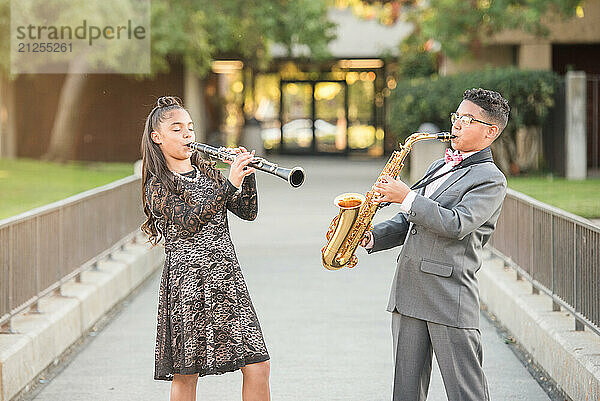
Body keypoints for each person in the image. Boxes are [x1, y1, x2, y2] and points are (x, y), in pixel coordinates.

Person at [360, 88, 510, 401]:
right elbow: (412, 220)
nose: (457, 124)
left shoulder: (490, 178)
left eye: (468, 120)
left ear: (490, 132)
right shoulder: (437, 167)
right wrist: (373, 236)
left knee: (466, 393)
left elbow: (456, 224)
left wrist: (406, 196)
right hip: (409, 291)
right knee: (406, 393)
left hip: (448, 296)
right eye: (458, 116)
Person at [140, 96, 270, 401]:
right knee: (187, 376)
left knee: (258, 365)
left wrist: (246, 177)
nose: (187, 135)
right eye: (177, 129)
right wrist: (230, 183)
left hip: (226, 280)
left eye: (190, 128)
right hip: (188, 284)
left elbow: (247, 212)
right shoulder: (157, 186)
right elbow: (190, 221)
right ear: (156, 138)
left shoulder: (208, 173)